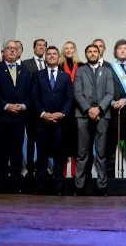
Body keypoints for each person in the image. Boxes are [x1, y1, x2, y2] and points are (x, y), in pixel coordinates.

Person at [29, 45, 74, 195]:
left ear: (58, 57)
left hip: (60, 123)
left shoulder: (65, 76)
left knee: (59, 156)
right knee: (41, 156)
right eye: (49, 54)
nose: (52, 56)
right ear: (45, 57)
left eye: (55, 54)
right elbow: (33, 96)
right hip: (42, 122)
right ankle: (41, 187)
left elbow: (70, 98)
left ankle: (58, 188)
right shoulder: (37, 75)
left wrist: (62, 113)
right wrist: (43, 113)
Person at [73, 44, 114, 196]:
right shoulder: (80, 70)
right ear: (86, 54)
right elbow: (77, 93)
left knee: (101, 153)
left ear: (99, 53)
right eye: (89, 51)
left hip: (102, 115)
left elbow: (110, 93)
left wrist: (99, 109)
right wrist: (89, 109)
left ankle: (102, 186)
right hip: (83, 115)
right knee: (82, 153)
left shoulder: (107, 71)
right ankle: (79, 186)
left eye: (95, 51)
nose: (92, 53)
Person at [0, 40, 31, 193]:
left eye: (15, 49)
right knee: (0, 153)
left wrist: (23, 106)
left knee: (16, 153)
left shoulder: (25, 71)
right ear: (3, 52)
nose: (12, 51)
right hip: (1, 118)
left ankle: (14, 186)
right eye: (9, 48)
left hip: (19, 119)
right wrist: (6, 106)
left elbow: (30, 93)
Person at [104, 39, 126, 179]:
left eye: (125, 48)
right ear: (115, 51)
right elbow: (105, 88)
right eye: (120, 48)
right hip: (113, 113)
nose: (123, 50)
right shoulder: (108, 67)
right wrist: (112, 102)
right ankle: (110, 178)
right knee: (111, 147)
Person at [21, 38, 48, 179]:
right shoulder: (26, 64)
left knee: (45, 140)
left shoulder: (49, 64)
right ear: (34, 48)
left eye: (44, 46)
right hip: (32, 110)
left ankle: (42, 168)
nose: (41, 48)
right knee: (31, 140)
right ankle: (30, 169)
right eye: (39, 45)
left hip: (47, 110)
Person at [59, 41, 82, 178]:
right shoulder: (59, 66)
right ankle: (62, 173)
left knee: (77, 141)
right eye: (66, 48)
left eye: (71, 48)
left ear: (75, 50)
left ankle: (75, 173)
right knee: (63, 141)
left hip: (78, 108)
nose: (68, 50)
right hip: (63, 107)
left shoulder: (81, 66)